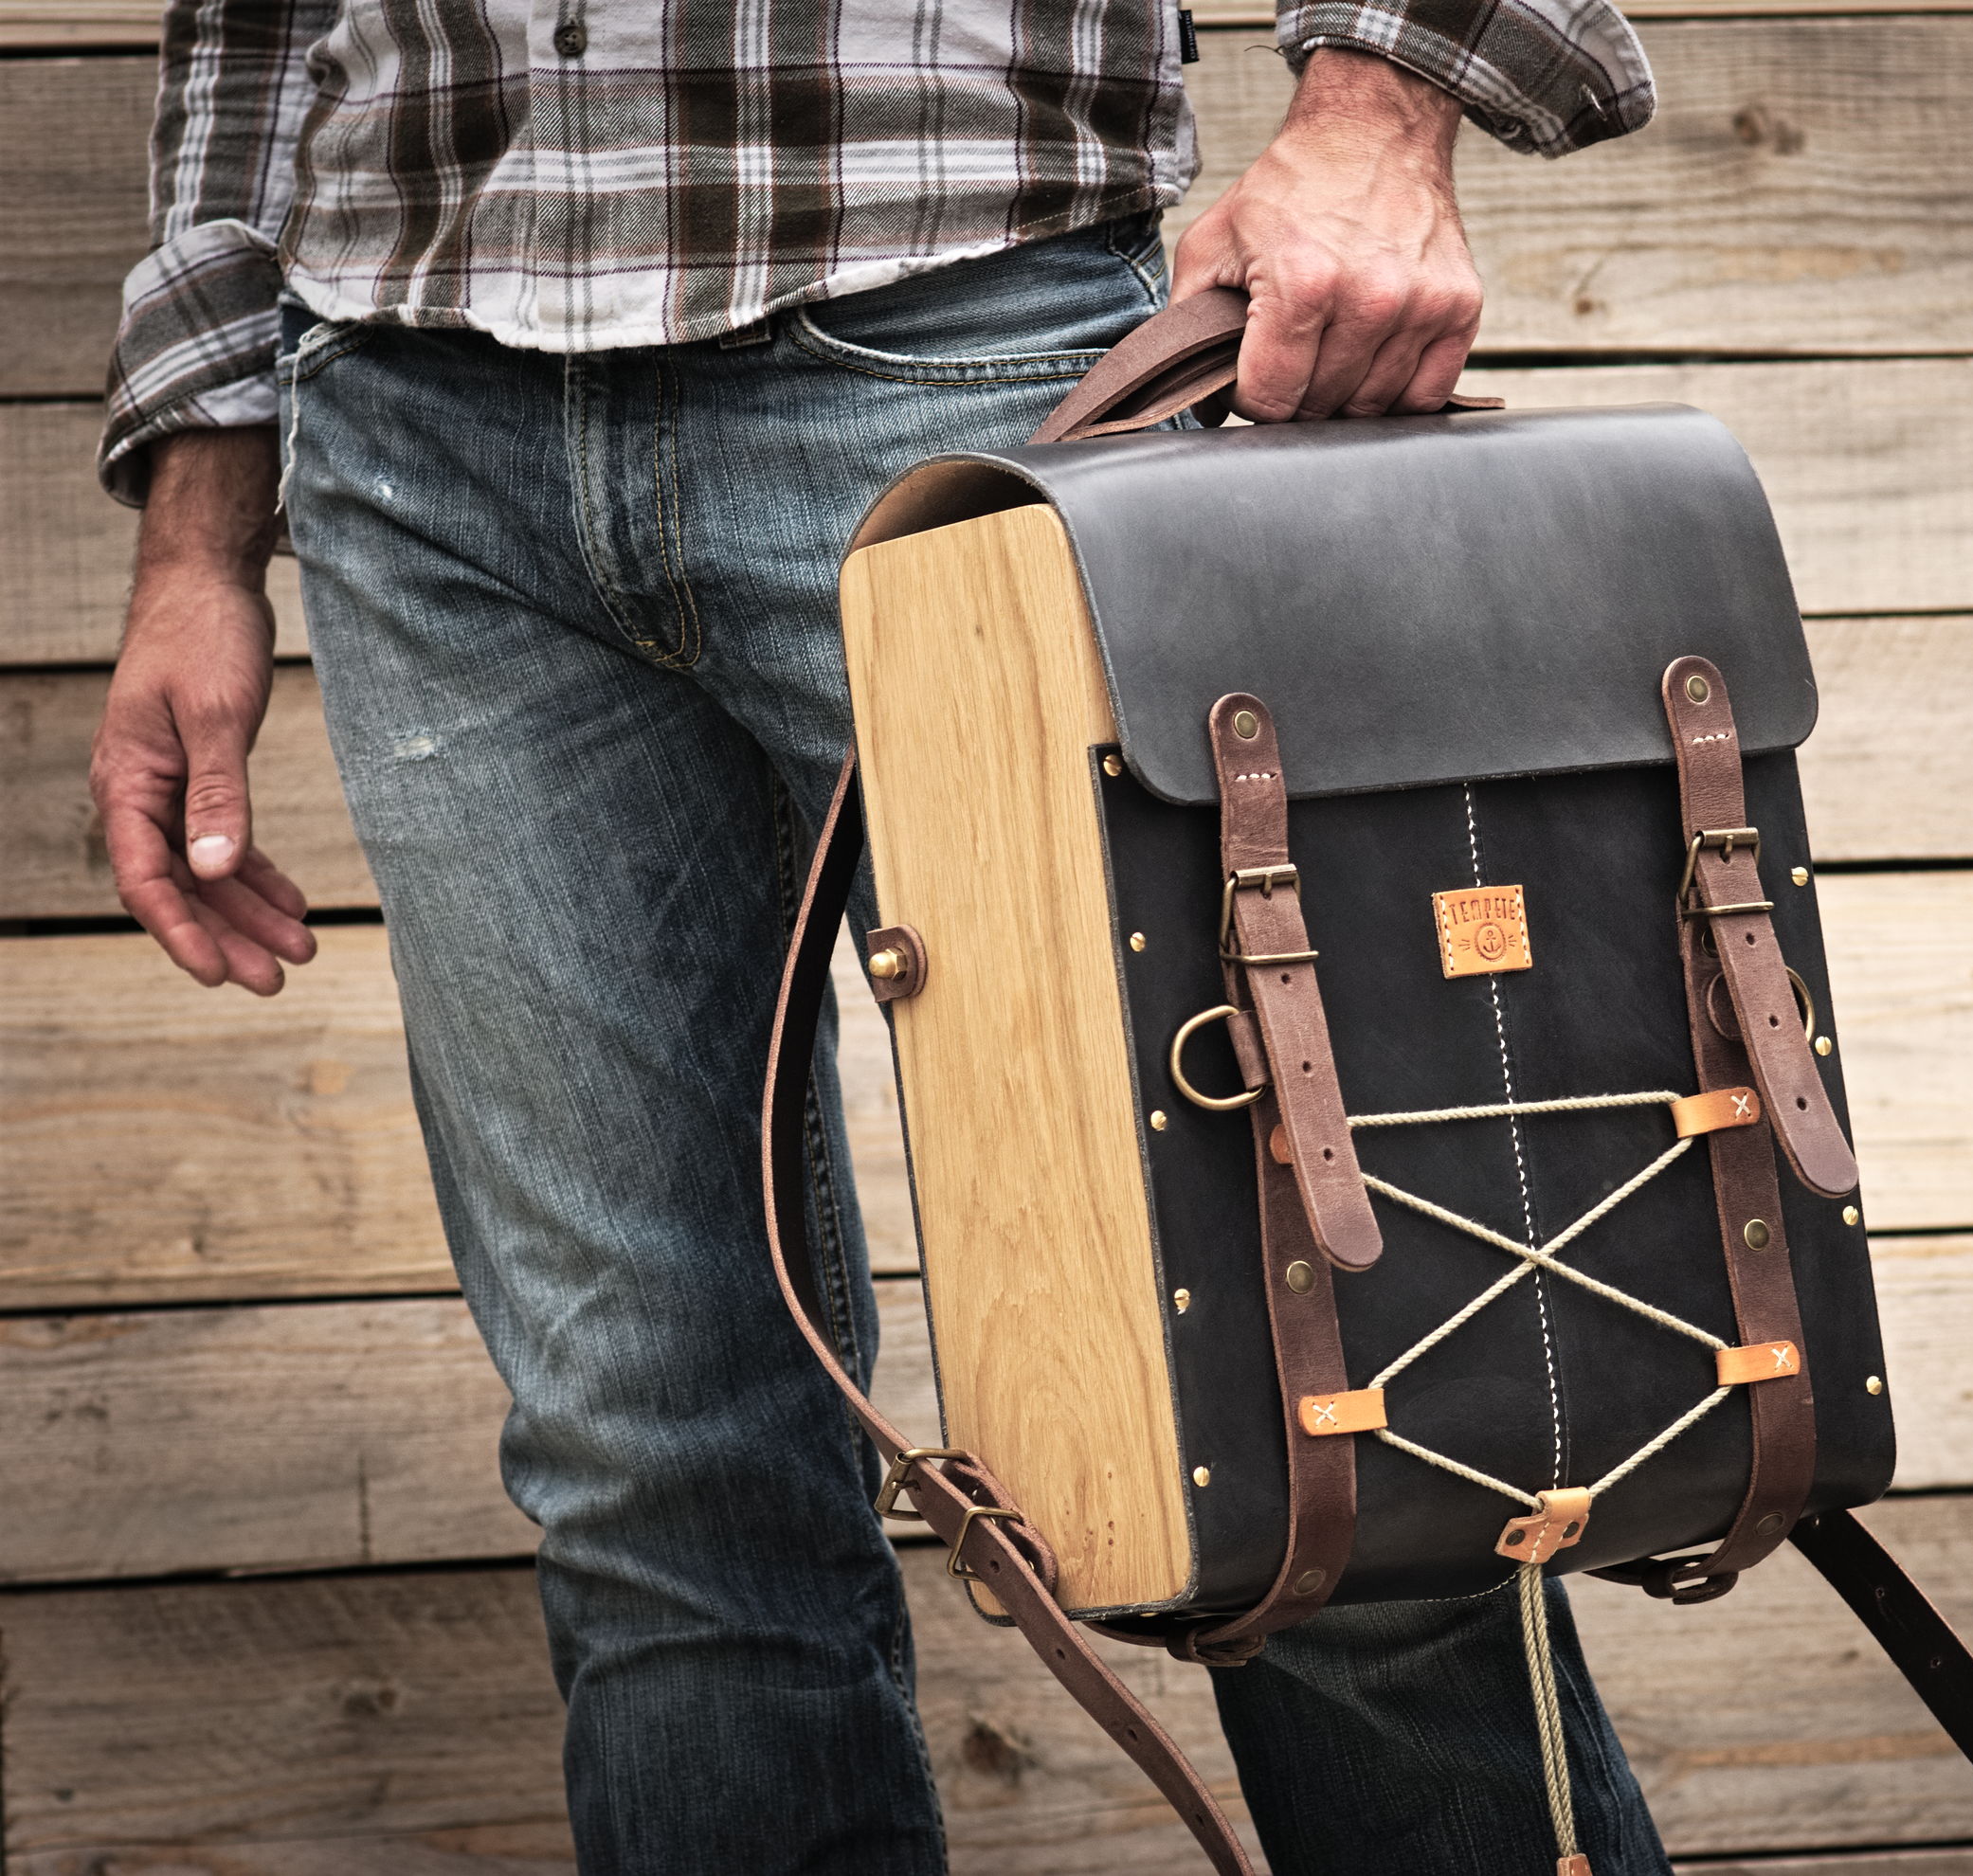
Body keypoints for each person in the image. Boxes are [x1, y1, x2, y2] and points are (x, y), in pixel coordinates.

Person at [88, 2, 1671, 1869]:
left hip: (976, 360)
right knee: (651, 1456)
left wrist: (1385, 106)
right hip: (424, 440)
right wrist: (200, 518)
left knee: (1303, 1390)